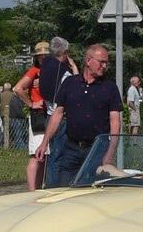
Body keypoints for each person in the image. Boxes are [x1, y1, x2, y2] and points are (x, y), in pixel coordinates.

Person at [36, 43, 122, 187]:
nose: (104, 66)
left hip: (96, 149)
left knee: (90, 190)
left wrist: (110, 152)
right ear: (88, 61)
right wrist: (44, 143)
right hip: (71, 147)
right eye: (101, 62)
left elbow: (115, 122)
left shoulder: (110, 88)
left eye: (106, 63)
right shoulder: (70, 83)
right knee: (64, 188)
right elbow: (57, 114)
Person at [36, 37, 77, 186]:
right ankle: (55, 186)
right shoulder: (63, 72)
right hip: (61, 117)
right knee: (59, 155)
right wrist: (74, 68)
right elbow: (76, 87)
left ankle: (52, 184)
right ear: (64, 53)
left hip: (49, 114)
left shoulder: (45, 66)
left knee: (53, 154)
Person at [14, 41, 50, 189]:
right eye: (40, 56)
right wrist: (31, 103)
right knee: (36, 155)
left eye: (46, 55)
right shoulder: (35, 71)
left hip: (50, 115)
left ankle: (38, 188)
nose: (43, 58)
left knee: (44, 156)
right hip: (39, 115)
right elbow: (18, 88)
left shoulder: (51, 71)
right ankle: (32, 190)